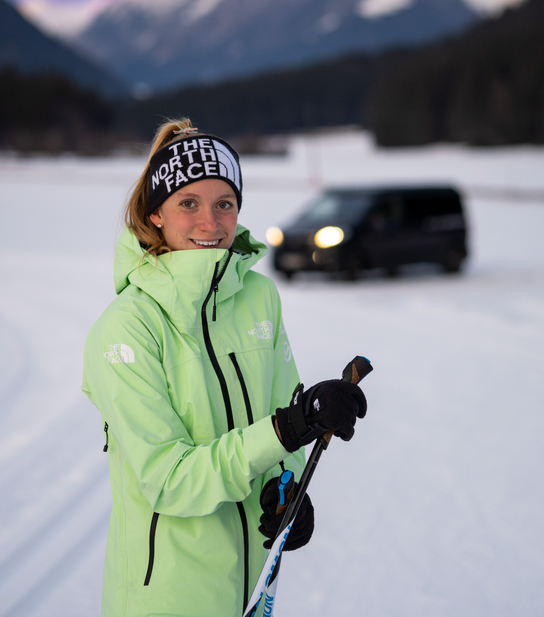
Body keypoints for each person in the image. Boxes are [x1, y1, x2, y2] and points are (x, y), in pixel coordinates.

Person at [83, 119, 367, 617]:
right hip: (166, 599)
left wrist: (286, 489)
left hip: (252, 590)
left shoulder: (259, 297)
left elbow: (279, 420)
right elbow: (170, 479)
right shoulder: (125, 330)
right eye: (188, 203)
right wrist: (286, 429)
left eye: (224, 204)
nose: (211, 224)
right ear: (154, 215)